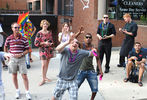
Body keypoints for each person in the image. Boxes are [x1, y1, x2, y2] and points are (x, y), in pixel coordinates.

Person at [4, 22, 32, 99]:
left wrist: (22, 54)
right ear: (12, 28)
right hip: (12, 59)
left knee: (24, 76)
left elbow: (28, 50)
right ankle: (17, 91)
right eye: (15, 27)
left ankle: (27, 92)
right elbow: (5, 46)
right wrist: (7, 55)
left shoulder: (24, 38)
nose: (17, 29)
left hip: (22, 59)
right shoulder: (9, 38)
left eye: (18, 27)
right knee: (14, 75)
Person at [76, 33, 103, 100]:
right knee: (74, 88)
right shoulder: (82, 46)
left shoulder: (94, 48)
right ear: (84, 39)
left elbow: (98, 59)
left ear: (91, 39)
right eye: (86, 37)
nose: (88, 38)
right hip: (81, 71)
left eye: (89, 37)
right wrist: (79, 33)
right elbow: (73, 39)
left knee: (95, 89)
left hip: (91, 71)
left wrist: (100, 70)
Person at [34, 19, 54, 86]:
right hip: (42, 50)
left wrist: (50, 44)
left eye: (46, 24)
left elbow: (51, 41)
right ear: (42, 25)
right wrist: (44, 43)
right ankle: (43, 79)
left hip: (49, 50)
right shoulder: (39, 33)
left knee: (47, 64)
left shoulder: (49, 32)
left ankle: (45, 77)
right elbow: (36, 43)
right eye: (44, 24)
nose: (45, 25)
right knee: (43, 65)